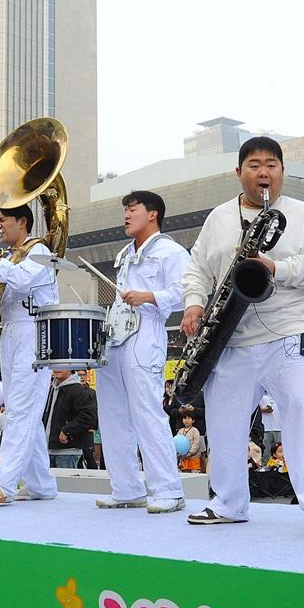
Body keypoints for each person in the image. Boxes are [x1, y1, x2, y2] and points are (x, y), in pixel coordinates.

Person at [180, 137, 304, 537]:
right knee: (223, 424)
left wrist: (276, 267)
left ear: (282, 172)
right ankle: (227, 503)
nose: (263, 172)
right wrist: (193, 303)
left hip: (289, 330)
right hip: (230, 335)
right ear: (238, 172)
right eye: (254, 165)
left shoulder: (302, 213)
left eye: (271, 165)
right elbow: (198, 269)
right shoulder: (219, 218)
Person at [94, 190, 190, 514]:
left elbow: (185, 293)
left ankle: (168, 490)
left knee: (147, 412)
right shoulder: (124, 253)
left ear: (153, 214)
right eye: (125, 210)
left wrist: (148, 295)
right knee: (112, 414)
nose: (126, 215)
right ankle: (126, 488)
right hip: (116, 332)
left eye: (132, 209)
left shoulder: (171, 252)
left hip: (146, 332)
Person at [0, 204, 59, 505]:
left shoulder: (40, 250)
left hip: (35, 332)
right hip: (11, 334)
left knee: (22, 409)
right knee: (24, 410)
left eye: (2, 220)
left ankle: (3, 483)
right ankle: (41, 485)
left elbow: (22, 280)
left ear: (22, 221)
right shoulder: (10, 257)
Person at [43, 369, 98, 469]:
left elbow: (88, 417)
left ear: (70, 368)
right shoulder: (51, 389)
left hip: (67, 451)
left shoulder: (78, 390)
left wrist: (67, 431)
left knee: (65, 484)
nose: (56, 368)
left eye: (61, 365)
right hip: (47, 450)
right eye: (54, 365)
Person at [258, 393, 282, 463]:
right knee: (266, 455)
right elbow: (253, 408)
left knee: (280, 454)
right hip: (266, 429)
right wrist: (262, 409)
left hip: (279, 428)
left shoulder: (280, 395)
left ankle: (281, 470)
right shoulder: (261, 396)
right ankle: (266, 472)